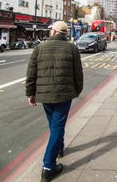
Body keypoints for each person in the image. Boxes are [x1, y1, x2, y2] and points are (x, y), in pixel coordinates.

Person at [26, 21, 83, 182]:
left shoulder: (39, 48)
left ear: (54, 32)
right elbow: (78, 73)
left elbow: (31, 73)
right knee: (57, 126)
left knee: (55, 125)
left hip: (45, 96)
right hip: (64, 95)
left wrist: (30, 94)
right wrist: (77, 90)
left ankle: (54, 156)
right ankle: (48, 167)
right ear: (64, 33)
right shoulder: (72, 48)